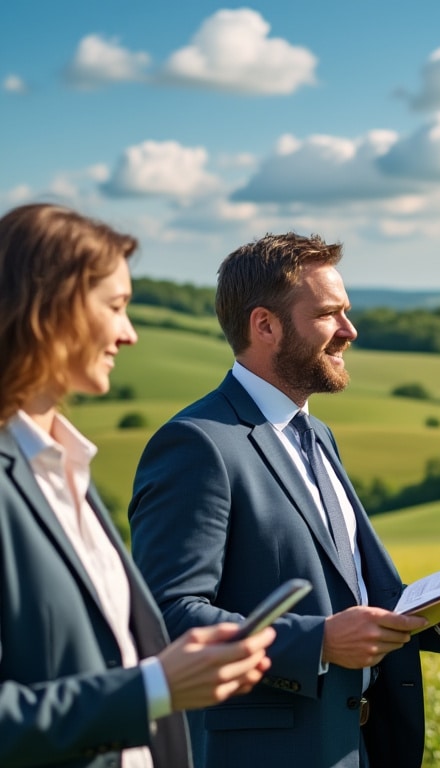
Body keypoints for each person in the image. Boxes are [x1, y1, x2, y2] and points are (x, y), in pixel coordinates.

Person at [127, 232, 440, 768]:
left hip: (363, 743)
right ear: (266, 325)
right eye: (329, 315)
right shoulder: (197, 443)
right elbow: (166, 617)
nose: (350, 330)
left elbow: (354, 589)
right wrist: (316, 643)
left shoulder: (316, 434)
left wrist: (434, 615)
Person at [0, 203, 274, 767]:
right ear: (50, 307)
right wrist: (154, 688)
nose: (129, 334)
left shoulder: (65, 467)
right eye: (117, 306)